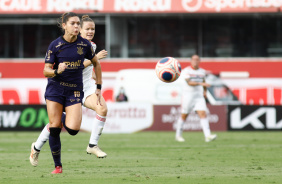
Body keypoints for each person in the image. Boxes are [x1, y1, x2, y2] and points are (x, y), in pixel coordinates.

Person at [31, 12, 102, 174]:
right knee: (55, 127)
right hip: (55, 89)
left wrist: (98, 87)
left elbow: (96, 64)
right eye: (73, 24)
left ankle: (58, 117)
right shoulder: (55, 45)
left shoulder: (85, 45)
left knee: (73, 129)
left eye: (78, 24)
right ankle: (58, 167)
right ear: (64, 26)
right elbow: (45, 71)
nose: (76, 26)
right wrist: (57, 70)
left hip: (74, 90)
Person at [175, 54, 217, 143]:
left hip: (198, 97)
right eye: (194, 59)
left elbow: (204, 81)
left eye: (197, 59)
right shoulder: (186, 71)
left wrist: (205, 91)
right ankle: (178, 135)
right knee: (184, 115)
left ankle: (208, 135)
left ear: (199, 61)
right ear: (191, 61)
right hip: (188, 96)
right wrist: (202, 85)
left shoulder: (202, 71)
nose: (195, 61)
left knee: (203, 114)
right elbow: (189, 83)